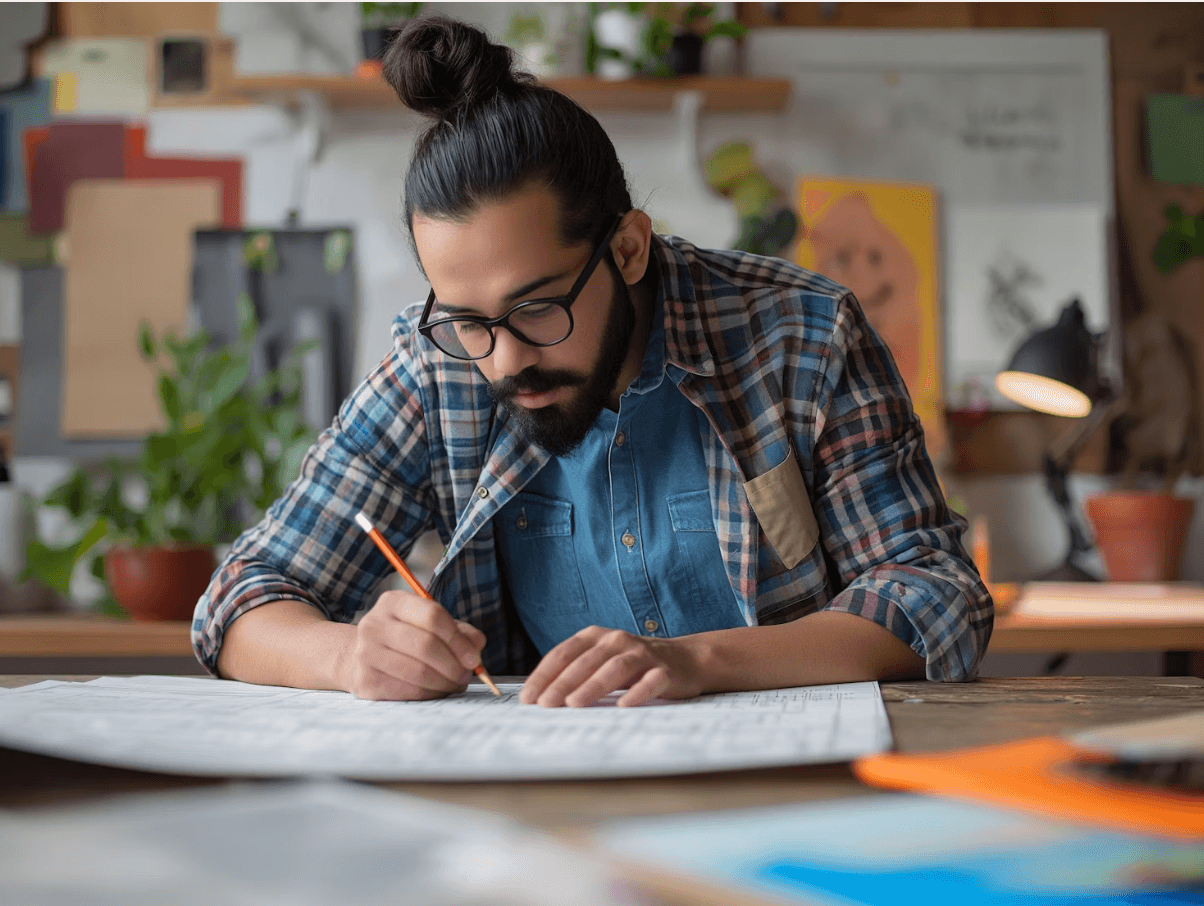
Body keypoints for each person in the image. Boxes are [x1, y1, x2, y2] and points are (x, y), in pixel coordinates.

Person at [194, 17, 993, 708]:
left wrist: (697, 660)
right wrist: (348, 657)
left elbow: (935, 594)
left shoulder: (803, 335)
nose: (505, 360)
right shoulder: (436, 368)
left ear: (628, 247)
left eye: (539, 307)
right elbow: (238, 600)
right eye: (469, 321)